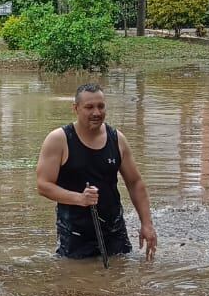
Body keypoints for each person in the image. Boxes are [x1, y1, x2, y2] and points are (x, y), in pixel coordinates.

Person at [35, 83, 156, 261]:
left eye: (101, 106)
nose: (97, 113)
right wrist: (79, 198)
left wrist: (147, 224)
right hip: (74, 232)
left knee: (119, 283)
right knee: (75, 284)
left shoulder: (117, 139)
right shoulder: (59, 139)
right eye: (89, 107)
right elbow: (43, 185)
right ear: (75, 108)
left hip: (114, 230)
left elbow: (135, 183)